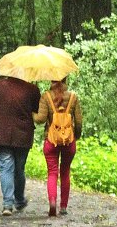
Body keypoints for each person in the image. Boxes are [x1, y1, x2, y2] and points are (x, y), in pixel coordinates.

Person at [0, 74, 42, 215]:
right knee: (19, 169)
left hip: (0, 133)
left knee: (6, 167)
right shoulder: (32, 89)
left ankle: (8, 205)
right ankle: (19, 200)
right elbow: (37, 111)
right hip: (23, 135)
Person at [34, 77, 82, 217]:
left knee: (52, 172)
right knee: (65, 171)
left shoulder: (46, 96)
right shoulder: (73, 97)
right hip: (69, 141)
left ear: (51, 80)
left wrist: (32, 114)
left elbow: (40, 119)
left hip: (51, 141)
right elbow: (78, 122)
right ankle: (63, 207)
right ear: (65, 79)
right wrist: (75, 136)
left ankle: (53, 202)